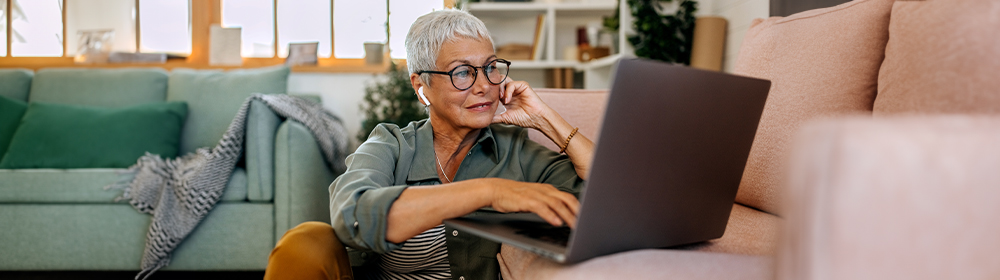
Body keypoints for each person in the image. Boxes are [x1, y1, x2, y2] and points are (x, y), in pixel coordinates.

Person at [264, 9, 595, 280]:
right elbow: (354, 216)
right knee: (304, 242)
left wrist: (545, 119)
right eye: (462, 73)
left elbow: (608, 201)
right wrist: (489, 191)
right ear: (422, 87)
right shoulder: (392, 144)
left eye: (490, 68)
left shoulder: (516, 151)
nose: (484, 86)